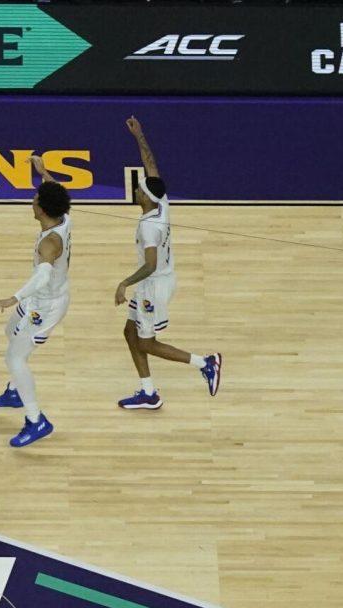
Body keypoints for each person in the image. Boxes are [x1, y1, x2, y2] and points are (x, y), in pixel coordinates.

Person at [114, 116, 222, 409]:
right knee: (129, 332)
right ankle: (148, 392)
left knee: (146, 342)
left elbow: (149, 265)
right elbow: (152, 166)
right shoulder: (162, 202)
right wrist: (139, 135)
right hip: (157, 280)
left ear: (145, 198)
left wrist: (124, 283)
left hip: (155, 285)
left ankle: (205, 363)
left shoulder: (150, 227)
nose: (136, 191)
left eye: (138, 190)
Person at [0, 156, 72, 448]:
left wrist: (13, 297)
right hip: (43, 297)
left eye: (35, 199)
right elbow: (55, 190)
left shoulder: (49, 243)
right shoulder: (63, 216)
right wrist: (42, 172)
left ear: (42, 210)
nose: (32, 201)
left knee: (14, 358)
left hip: (45, 305)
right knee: (10, 331)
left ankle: (37, 420)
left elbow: (41, 276)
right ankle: (15, 390)